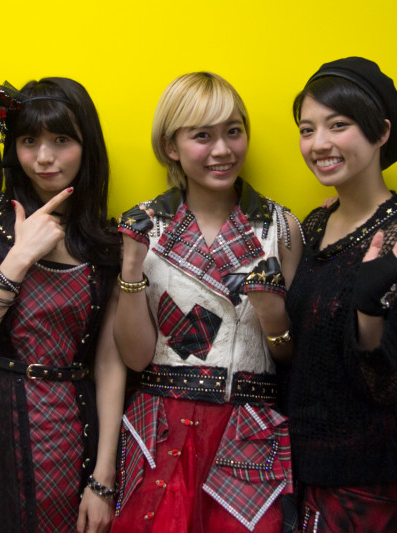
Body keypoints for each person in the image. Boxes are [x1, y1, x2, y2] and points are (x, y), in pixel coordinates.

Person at [0, 77, 124, 533]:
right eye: (29, 141)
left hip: (73, 433)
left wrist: (103, 478)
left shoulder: (106, 241)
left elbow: (109, 363)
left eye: (62, 140)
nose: (44, 157)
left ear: (87, 146)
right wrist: (17, 260)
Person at [111, 71, 303, 532]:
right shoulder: (143, 225)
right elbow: (135, 358)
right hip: (161, 425)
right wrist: (131, 268)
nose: (223, 150)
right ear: (171, 146)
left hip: (248, 427)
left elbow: (294, 357)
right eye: (202, 136)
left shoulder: (280, 227)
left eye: (233, 132)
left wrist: (273, 317)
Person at [284, 57, 397, 531]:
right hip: (298, 469)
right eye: (307, 129)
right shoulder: (315, 224)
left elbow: (393, 385)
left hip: (364, 485)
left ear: (381, 132)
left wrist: (369, 306)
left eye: (338, 125)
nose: (318, 143)